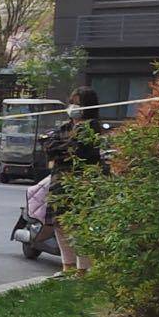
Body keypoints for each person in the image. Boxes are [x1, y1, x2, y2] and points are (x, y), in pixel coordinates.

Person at [44, 87, 105, 277]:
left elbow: (79, 150)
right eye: (72, 102)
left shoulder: (92, 127)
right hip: (59, 180)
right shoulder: (65, 127)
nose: (73, 107)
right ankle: (67, 266)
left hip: (81, 182)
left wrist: (61, 149)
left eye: (78, 103)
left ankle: (82, 269)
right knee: (60, 222)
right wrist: (61, 148)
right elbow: (49, 145)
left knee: (79, 224)